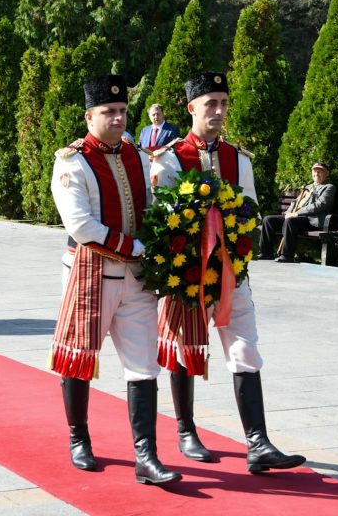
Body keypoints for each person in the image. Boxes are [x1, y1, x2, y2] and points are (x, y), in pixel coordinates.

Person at [150, 71, 306, 473]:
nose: (218, 111)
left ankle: (258, 442)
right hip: (186, 277)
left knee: (245, 349)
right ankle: (186, 431)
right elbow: (160, 220)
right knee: (186, 349)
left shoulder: (238, 158)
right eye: (210, 104)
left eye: (223, 103)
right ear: (191, 108)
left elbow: (250, 211)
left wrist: (238, 248)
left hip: (232, 273)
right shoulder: (169, 157)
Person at [49, 74, 181, 485]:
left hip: (138, 280)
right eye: (109, 112)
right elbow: (80, 224)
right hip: (93, 275)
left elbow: (154, 204)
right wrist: (136, 247)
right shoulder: (72, 160)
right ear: (90, 116)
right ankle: (78, 438)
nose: (118, 118)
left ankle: (147, 456)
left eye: (123, 111)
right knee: (80, 356)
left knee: (145, 366)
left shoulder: (138, 155)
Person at [259, 162, 336, 263]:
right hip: (297, 217)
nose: (316, 174)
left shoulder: (329, 187)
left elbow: (320, 205)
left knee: (290, 221)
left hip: (312, 220)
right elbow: (295, 202)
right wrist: (288, 212)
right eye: (315, 171)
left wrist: (297, 213)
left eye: (320, 172)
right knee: (268, 220)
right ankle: (266, 253)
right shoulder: (308, 187)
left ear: (326, 174)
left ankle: (287, 255)